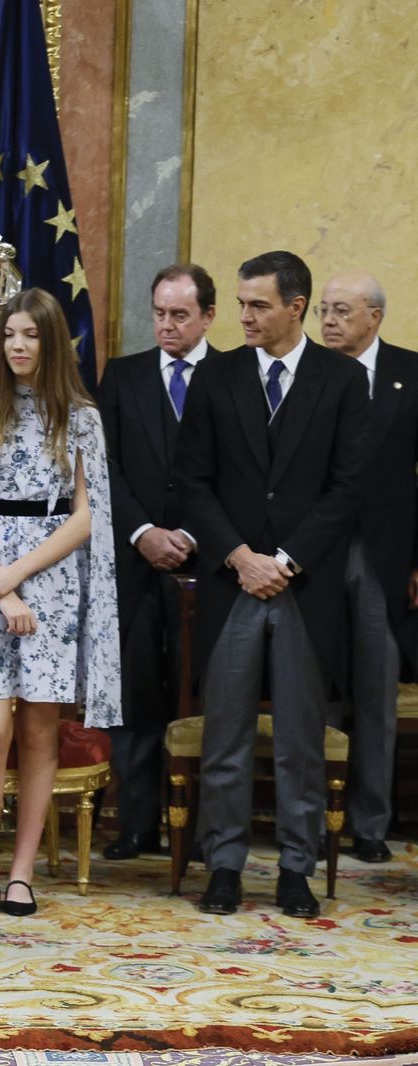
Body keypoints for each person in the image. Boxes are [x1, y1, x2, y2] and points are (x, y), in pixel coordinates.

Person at [176, 251, 369, 919]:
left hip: (302, 588)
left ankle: (295, 868)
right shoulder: (216, 376)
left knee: (299, 740)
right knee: (225, 734)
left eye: (258, 304)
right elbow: (191, 484)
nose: (244, 316)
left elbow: (348, 489)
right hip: (233, 584)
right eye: (241, 303)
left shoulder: (343, 381)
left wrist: (284, 560)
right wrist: (238, 556)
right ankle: (223, 864)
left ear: (296, 306)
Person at [0, 287, 120, 917]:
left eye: (31, 335)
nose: (18, 346)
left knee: (38, 732)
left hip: (52, 583)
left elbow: (87, 517)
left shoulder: (81, 417)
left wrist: (20, 578)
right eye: (10, 335)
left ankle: (23, 873)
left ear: (51, 342)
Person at [96, 264, 215, 860]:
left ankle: (199, 831)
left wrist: (194, 533)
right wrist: (143, 532)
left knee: (204, 696)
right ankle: (138, 822)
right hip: (135, 565)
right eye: (159, 314)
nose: (166, 326)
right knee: (137, 694)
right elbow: (101, 468)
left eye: (180, 316)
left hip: (212, 565)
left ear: (208, 317)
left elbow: (244, 472)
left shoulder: (236, 375)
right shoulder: (122, 376)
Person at [318, 272, 418, 865]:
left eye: (342, 312)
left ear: (374, 317)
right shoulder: (309, 372)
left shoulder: (412, 374)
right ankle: (312, 814)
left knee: (376, 689)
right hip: (317, 554)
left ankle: (371, 822)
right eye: (325, 311)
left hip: (385, 554)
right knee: (319, 687)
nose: (330, 322)